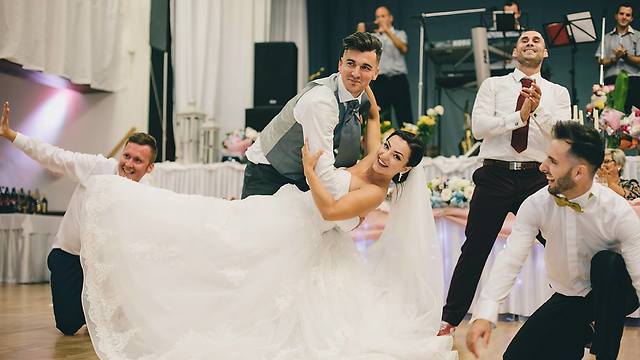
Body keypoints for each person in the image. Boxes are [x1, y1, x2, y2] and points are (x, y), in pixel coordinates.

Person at [75, 89, 457, 359]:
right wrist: (364, 86)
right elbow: (373, 118)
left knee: (228, 245)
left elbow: (329, 212)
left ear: (405, 168)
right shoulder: (374, 158)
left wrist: (310, 172)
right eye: (389, 146)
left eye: (396, 156)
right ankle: (131, 208)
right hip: (287, 211)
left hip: (301, 227)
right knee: (219, 226)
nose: (386, 155)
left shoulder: (375, 192)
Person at [466, 121, 640, 360]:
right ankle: (581, 331)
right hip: (567, 299)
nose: (542, 167)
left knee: (607, 263)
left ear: (579, 172)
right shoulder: (536, 204)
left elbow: (639, 274)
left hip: (613, 296)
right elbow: (511, 257)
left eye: (553, 162)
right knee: (514, 357)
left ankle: (601, 351)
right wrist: (486, 312)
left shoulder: (617, 212)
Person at [438, 30, 571, 336]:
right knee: (474, 249)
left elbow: (563, 133)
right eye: (524, 40)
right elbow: (480, 128)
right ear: (514, 52)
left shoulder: (557, 93)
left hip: (539, 177)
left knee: (560, 247)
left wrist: (536, 111)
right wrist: (517, 116)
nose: (530, 43)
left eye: (537, 40)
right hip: (495, 175)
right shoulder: (493, 85)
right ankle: (450, 321)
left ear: (545, 53)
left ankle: (579, 314)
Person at [0, 101, 157, 336]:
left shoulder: (147, 191)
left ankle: (101, 308)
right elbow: (54, 156)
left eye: (138, 160)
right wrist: (11, 135)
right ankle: (84, 305)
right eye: (126, 156)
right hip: (70, 255)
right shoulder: (96, 168)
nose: (128, 164)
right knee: (68, 325)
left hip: (105, 265)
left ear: (149, 167)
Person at [242, 31, 381, 199]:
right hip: (268, 173)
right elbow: (324, 179)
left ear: (376, 73)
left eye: (365, 67)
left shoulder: (360, 94)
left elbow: (373, 114)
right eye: (350, 64)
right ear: (340, 64)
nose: (356, 73)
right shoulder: (321, 102)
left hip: (305, 176)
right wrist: (368, 183)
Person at [357, 5, 413, 126]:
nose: (380, 19)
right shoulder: (374, 38)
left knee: (405, 117)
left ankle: (408, 143)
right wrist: (360, 32)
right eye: (377, 17)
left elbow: (403, 48)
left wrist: (387, 31)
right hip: (381, 81)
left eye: (383, 16)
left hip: (399, 80)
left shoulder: (399, 33)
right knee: (381, 118)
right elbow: (359, 50)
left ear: (390, 18)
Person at [595, 3, 640, 112]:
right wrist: (614, 59)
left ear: (632, 18)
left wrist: (625, 56)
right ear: (616, 16)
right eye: (621, 14)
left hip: (633, 81)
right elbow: (600, 62)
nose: (624, 17)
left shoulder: (638, 36)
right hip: (610, 82)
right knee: (611, 116)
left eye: (628, 15)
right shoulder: (606, 37)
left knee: (633, 117)